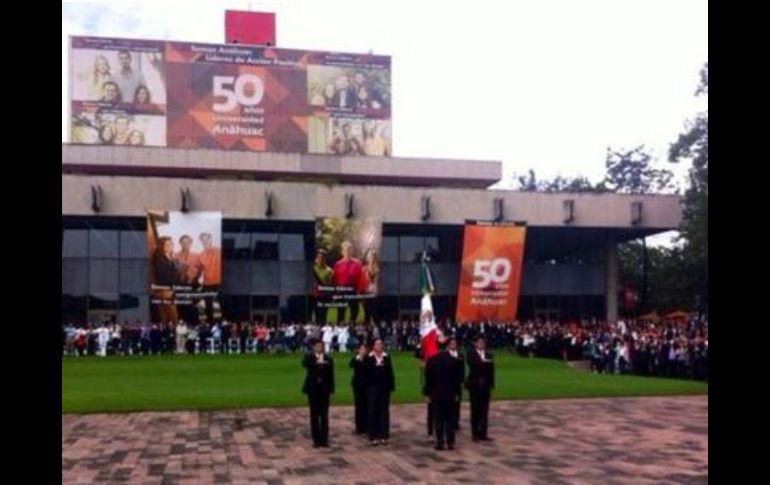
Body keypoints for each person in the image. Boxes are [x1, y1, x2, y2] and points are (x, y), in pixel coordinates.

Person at [424, 339, 464, 450]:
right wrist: (457, 393)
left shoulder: (431, 360)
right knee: (450, 419)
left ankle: (440, 442)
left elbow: (428, 380)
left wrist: (427, 394)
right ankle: (450, 442)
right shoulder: (454, 361)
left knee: (438, 419)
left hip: (436, 394)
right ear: (447, 347)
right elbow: (457, 380)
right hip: (450, 394)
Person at [302, 338, 335, 448]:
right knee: (314, 415)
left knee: (324, 415)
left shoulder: (328, 359)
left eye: (321, 346)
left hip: (324, 390)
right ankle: (316, 439)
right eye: (318, 346)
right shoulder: (309, 357)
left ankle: (324, 439)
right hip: (313, 389)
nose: (320, 348)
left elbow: (331, 375)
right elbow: (305, 364)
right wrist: (317, 362)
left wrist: (331, 389)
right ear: (314, 347)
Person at [365, 338, 395, 446]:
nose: (379, 346)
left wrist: (391, 387)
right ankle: (373, 435)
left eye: (381, 344)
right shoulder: (369, 358)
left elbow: (390, 373)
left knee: (384, 411)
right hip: (372, 388)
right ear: (373, 346)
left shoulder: (386, 358)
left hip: (384, 389)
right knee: (373, 411)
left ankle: (383, 435)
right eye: (377, 344)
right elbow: (366, 375)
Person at [466, 335, 495, 442]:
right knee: (475, 410)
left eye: (483, 342)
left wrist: (491, 384)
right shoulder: (471, 354)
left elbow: (491, 370)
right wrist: (484, 363)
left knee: (484, 410)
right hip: (475, 385)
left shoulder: (489, 354)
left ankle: (483, 433)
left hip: (486, 385)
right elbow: (473, 364)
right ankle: (475, 434)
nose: (481, 344)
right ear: (475, 344)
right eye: (479, 342)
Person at [332, 241, 364, 322]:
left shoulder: (358, 263)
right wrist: (335, 292)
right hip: (341, 290)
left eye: (349, 250)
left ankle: (351, 326)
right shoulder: (337, 264)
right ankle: (340, 327)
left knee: (354, 310)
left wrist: (359, 291)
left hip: (353, 290)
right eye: (345, 250)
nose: (347, 252)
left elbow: (361, 278)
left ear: (352, 251)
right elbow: (335, 279)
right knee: (341, 311)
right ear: (342, 252)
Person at [446, 336, 465, 431]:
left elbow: (462, 369)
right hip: (447, 383)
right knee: (448, 403)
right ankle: (448, 421)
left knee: (457, 403)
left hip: (457, 382)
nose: (454, 345)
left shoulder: (460, 355)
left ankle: (456, 422)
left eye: (455, 343)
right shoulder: (446, 355)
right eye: (452, 343)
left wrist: (462, 381)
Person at [349, 343, 369, 435]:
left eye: (364, 349)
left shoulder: (369, 359)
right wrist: (359, 357)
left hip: (367, 385)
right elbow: (351, 365)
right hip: (357, 385)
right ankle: (359, 427)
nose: (362, 351)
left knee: (367, 406)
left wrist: (363, 358)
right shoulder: (355, 359)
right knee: (358, 406)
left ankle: (367, 426)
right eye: (361, 349)